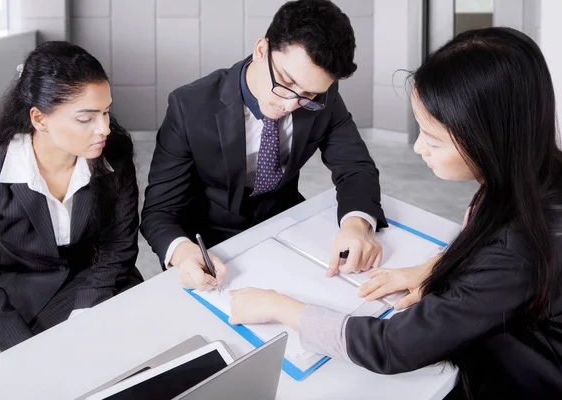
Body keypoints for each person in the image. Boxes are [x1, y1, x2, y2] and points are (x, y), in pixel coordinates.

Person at [227, 27, 562, 399]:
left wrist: (281, 306)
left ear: (490, 137)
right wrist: (434, 267)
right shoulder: (534, 178)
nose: (419, 147)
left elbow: (392, 347)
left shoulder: (521, 243)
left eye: (432, 138)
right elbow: (485, 248)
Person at [141, 0, 387, 291]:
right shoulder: (189, 106)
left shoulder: (324, 98)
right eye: (285, 80)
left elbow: (355, 168)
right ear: (261, 50)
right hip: (212, 241)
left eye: (308, 94)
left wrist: (357, 225)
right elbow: (160, 210)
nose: (290, 103)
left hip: (286, 226)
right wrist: (182, 253)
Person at [0, 41, 143, 351]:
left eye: (106, 112)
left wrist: (86, 310)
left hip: (105, 280)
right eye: (86, 119)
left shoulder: (116, 154)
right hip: (31, 299)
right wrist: (24, 350)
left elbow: (118, 246)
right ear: (40, 119)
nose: (104, 129)